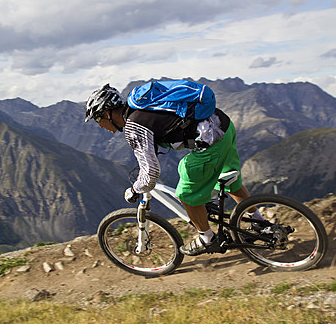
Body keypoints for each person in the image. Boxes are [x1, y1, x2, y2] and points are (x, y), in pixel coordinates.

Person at [84, 82, 265, 256]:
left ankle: (207, 239)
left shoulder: (134, 127)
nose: (100, 125)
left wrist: (134, 190)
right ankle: (259, 223)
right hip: (223, 125)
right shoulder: (140, 106)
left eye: (98, 119)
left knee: (185, 193)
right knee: (228, 180)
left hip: (212, 142)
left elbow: (151, 174)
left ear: (107, 114)